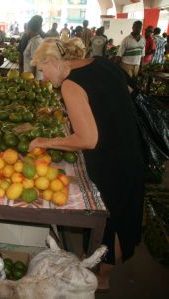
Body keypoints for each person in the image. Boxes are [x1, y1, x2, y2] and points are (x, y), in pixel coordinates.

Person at [30, 37, 144, 292]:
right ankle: (100, 269)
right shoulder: (103, 63)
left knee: (109, 223)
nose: (44, 79)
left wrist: (45, 141)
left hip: (110, 162)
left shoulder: (71, 85)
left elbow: (88, 139)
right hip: (132, 153)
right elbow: (128, 95)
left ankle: (100, 280)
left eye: (42, 70)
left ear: (52, 62)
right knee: (124, 219)